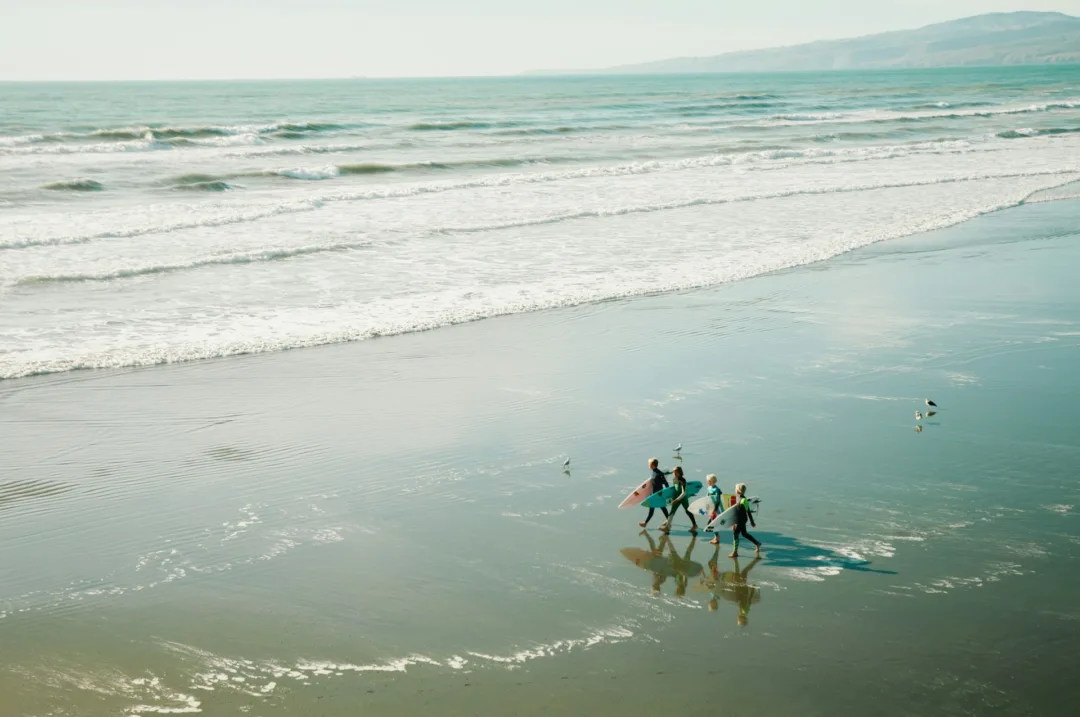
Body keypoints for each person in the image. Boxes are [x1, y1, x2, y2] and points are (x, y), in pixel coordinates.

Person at [660, 466, 698, 534]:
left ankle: (694, 525)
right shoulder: (675, 478)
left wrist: (677, 499)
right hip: (676, 497)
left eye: (675, 472)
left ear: (678, 472)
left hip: (683, 498)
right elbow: (674, 489)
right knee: (672, 512)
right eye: (673, 472)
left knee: (687, 511)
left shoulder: (682, 480)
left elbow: (684, 492)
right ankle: (667, 527)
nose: (673, 473)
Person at [729, 482, 761, 558]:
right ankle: (757, 543)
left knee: (735, 534)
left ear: (738, 490)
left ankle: (735, 552)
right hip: (739, 520)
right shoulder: (737, 498)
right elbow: (734, 511)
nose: (735, 490)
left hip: (741, 520)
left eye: (735, 489)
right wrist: (733, 523)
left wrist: (752, 522)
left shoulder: (744, 500)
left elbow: (748, 512)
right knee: (744, 534)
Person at [638, 458, 671, 528]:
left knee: (654, 507)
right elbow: (652, 482)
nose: (648, 465)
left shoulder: (658, 473)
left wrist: (668, 492)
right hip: (654, 493)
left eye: (649, 464)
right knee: (661, 507)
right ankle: (668, 520)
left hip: (658, 494)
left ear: (652, 465)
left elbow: (665, 482)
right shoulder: (653, 472)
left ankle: (646, 523)